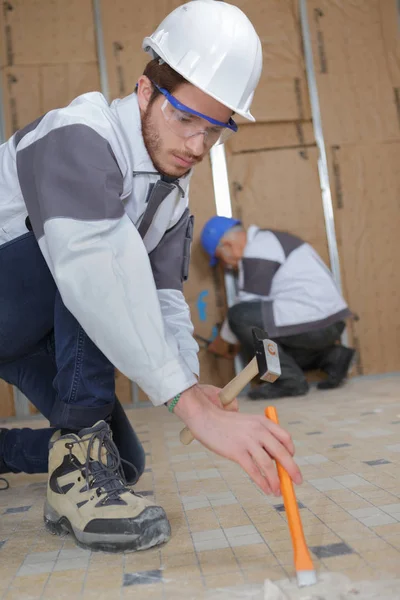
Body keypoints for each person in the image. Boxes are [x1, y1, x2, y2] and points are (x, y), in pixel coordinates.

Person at [0, 1, 302, 553]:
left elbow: (164, 296)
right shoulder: (79, 134)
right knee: (102, 257)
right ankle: (76, 476)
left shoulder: (172, 190)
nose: (196, 145)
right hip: (11, 295)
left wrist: (191, 385)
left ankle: (32, 457)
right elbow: (94, 270)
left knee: (122, 460)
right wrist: (184, 403)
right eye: (185, 119)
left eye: (214, 131)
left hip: (27, 326)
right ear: (145, 92)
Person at [201, 217, 355, 399]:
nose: (226, 265)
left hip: (314, 322)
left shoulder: (258, 248)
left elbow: (246, 308)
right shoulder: (269, 241)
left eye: (221, 259)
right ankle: (333, 357)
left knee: (239, 316)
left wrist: (224, 341)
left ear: (227, 245)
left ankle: (289, 382)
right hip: (329, 323)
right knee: (273, 353)